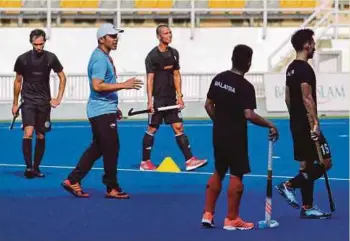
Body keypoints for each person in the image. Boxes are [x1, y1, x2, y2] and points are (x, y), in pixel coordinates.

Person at [201, 44, 279, 230]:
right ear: (249, 63)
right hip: (236, 136)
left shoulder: (219, 79)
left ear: (232, 58)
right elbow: (249, 114)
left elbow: (208, 105)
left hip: (218, 134)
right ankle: (232, 218)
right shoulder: (245, 87)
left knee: (219, 171)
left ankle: (208, 214)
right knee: (237, 174)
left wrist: (219, 122)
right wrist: (270, 124)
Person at [61, 23, 143, 199]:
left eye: (116, 36)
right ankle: (111, 187)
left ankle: (73, 180)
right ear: (101, 39)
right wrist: (124, 85)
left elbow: (103, 87)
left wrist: (114, 106)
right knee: (111, 148)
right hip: (101, 111)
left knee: (98, 147)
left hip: (104, 109)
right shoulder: (99, 59)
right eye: (112, 36)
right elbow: (97, 86)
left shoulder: (103, 57)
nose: (116, 39)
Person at [275, 29, 332, 219]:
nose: (314, 47)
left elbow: (288, 99)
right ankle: (288, 185)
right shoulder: (305, 69)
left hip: (296, 122)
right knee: (325, 162)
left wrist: (296, 119)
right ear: (307, 44)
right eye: (313, 43)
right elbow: (307, 97)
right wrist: (314, 124)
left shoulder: (291, 68)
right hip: (308, 124)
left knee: (306, 166)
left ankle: (307, 207)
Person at [139, 24, 207, 171]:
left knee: (178, 126)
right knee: (152, 128)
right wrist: (150, 101)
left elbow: (176, 75)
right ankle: (145, 162)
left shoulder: (174, 53)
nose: (169, 35)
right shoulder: (152, 56)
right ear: (159, 37)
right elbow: (150, 79)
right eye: (166, 33)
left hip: (171, 99)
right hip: (158, 99)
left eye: (170, 33)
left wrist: (179, 96)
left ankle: (190, 160)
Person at [12, 29, 67, 179]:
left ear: (44, 42)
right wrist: (15, 103)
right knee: (28, 133)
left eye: (41, 44)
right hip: (28, 101)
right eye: (36, 44)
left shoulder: (51, 58)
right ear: (31, 43)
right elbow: (18, 81)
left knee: (41, 135)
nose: (39, 47)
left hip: (44, 102)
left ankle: (36, 167)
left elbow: (62, 77)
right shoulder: (22, 59)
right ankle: (29, 167)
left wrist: (58, 98)